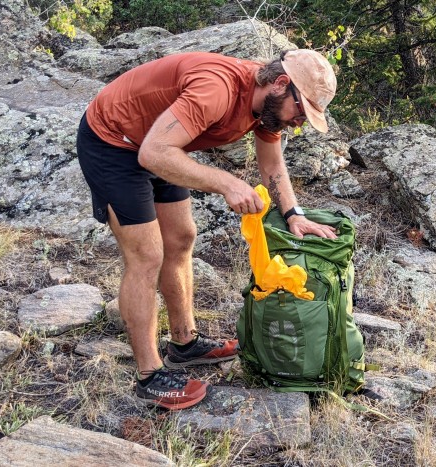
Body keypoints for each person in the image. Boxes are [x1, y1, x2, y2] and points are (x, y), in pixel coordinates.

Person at [76, 49, 339, 410]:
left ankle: (184, 345)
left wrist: (293, 214)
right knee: (147, 255)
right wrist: (227, 183)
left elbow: (272, 164)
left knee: (181, 238)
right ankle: (149, 375)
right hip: (114, 142)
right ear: (281, 84)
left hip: (161, 142)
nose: (299, 123)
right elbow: (153, 154)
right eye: (301, 111)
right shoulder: (216, 89)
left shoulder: (268, 108)